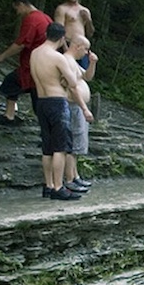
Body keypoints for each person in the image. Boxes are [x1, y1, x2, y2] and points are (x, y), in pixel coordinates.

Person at [30, 22, 93, 200]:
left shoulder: (35, 53)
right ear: (62, 38)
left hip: (41, 101)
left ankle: (48, 185)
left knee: (47, 147)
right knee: (61, 147)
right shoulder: (57, 57)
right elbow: (72, 82)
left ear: (46, 34)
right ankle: (58, 187)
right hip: (57, 102)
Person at [0, 0, 52, 125]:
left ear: (21, 4)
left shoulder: (32, 19)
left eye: (17, 9)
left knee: (13, 82)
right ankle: (10, 115)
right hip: (44, 64)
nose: (18, 13)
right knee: (20, 86)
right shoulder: (46, 17)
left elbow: (21, 43)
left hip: (33, 65)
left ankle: (10, 116)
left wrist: (3, 56)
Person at [62, 34, 97, 192]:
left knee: (78, 144)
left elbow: (87, 77)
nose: (86, 53)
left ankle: (75, 176)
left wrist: (92, 63)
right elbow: (72, 88)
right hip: (74, 105)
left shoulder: (74, 63)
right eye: (85, 49)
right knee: (74, 144)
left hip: (78, 107)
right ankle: (70, 179)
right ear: (77, 46)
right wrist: (84, 108)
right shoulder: (67, 61)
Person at [53, 0, 95, 69]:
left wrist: (88, 20)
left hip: (82, 46)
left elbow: (90, 33)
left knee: (82, 72)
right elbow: (59, 30)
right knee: (66, 72)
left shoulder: (85, 10)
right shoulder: (62, 9)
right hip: (68, 44)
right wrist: (65, 49)